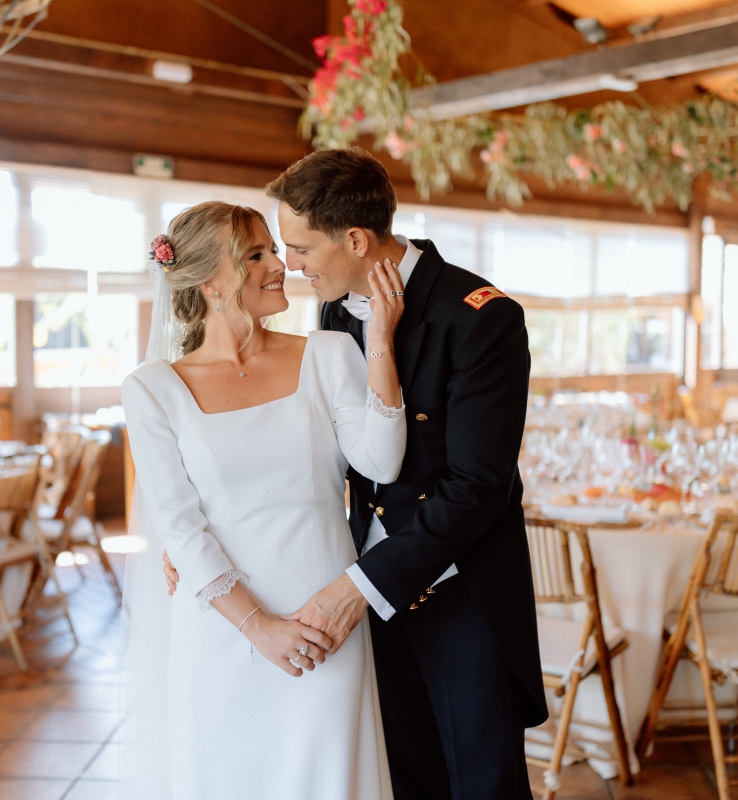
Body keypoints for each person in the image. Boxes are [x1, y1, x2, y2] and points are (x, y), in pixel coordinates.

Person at [167, 148, 548, 800]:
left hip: (458, 601)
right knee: (401, 777)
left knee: (482, 785)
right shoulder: (337, 312)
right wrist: (203, 540)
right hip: (361, 596)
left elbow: (477, 489)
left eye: (299, 247)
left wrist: (362, 586)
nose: (290, 264)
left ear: (354, 238)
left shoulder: (480, 317)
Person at [120, 200, 406, 800]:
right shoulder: (152, 392)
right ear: (209, 281)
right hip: (222, 633)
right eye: (256, 254)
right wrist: (259, 628)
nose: (280, 264)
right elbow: (181, 530)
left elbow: (381, 461)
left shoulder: (329, 354)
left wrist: (379, 338)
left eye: (275, 250)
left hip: (323, 622)